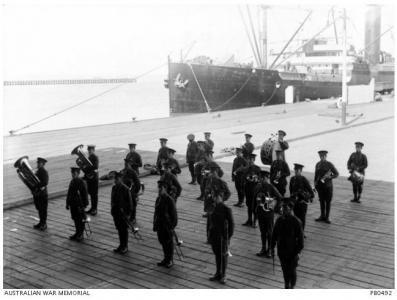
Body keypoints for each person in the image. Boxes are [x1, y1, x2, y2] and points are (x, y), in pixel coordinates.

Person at [271, 198, 304, 289]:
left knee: (292, 270)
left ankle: (291, 286)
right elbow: (274, 234)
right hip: (282, 251)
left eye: (285, 208)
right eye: (282, 207)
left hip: (292, 252)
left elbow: (301, 241)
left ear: (290, 209)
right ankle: (286, 285)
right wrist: (272, 246)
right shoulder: (279, 220)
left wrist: (296, 252)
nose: (282, 209)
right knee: (284, 270)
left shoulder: (296, 221)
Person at [208, 188, 234, 284]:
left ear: (221, 198)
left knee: (223, 256)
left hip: (223, 237)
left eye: (217, 197)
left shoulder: (226, 209)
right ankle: (218, 273)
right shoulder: (213, 207)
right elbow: (210, 223)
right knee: (217, 255)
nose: (216, 198)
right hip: (214, 235)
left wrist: (228, 237)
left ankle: (223, 275)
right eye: (215, 197)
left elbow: (231, 225)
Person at [254, 170, 282, 257]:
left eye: (263, 178)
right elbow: (255, 198)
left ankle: (270, 249)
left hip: (269, 213)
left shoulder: (271, 187)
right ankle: (263, 248)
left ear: (266, 178)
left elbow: (279, 197)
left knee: (270, 232)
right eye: (260, 178)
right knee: (262, 231)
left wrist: (273, 206)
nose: (261, 180)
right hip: (260, 212)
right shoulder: (258, 187)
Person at [153, 179, 178, 268]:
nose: (159, 189)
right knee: (162, 241)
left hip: (167, 225)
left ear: (165, 188)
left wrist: (172, 226)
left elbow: (174, 216)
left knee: (169, 243)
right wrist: (155, 224)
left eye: (161, 188)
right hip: (160, 224)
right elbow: (156, 213)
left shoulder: (169, 200)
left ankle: (170, 259)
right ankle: (165, 258)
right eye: (159, 188)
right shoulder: (158, 199)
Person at [314, 150, 339, 224]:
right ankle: (322, 216)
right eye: (321, 156)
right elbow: (316, 175)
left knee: (328, 202)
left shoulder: (329, 164)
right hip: (320, 186)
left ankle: (327, 217)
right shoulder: (318, 164)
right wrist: (315, 183)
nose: (322, 158)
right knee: (321, 201)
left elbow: (336, 174)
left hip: (328, 186)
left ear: (326, 156)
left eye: (323, 156)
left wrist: (329, 177)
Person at [289, 163, 314, 235]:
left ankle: (302, 232)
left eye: (298, 170)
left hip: (302, 202)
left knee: (302, 218)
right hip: (295, 202)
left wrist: (308, 197)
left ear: (300, 171)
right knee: (295, 217)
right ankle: (297, 232)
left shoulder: (303, 179)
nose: (296, 171)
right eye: (295, 170)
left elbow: (310, 191)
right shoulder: (292, 179)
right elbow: (291, 190)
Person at [111, 171, 133, 254]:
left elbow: (130, 203)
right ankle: (121, 245)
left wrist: (128, 214)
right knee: (119, 230)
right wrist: (112, 210)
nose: (115, 180)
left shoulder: (125, 189)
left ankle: (125, 246)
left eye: (116, 179)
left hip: (123, 213)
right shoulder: (114, 188)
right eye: (115, 179)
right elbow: (112, 200)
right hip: (116, 212)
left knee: (124, 230)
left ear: (120, 179)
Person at [66, 167, 88, 242]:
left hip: (79, 204)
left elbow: (84, 194)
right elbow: (69, 193)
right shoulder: (72, 181)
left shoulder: (81, 182)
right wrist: (67, 203)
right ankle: (77, 232)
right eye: (72, 173)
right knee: (75, 218)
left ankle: (81, 234)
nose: (72, 175)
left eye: (74, 173)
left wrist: (84, 205)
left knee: (80, 219)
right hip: (73, 204)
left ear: (78, 174)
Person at [240, 153, 261, 227]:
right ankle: (249, 220)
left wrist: (255, 179)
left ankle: (255, 221)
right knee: (249, 205)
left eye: (252, 159)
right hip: (248, 189)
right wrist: (242, 188)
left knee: (254, 206)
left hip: (255, 190)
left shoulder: (257, 169)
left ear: (254, 160)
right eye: (249, 159)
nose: (250, 161)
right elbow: (242, 179)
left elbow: (260, 179)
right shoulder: (246, 169)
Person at [122, 159, 141, 224]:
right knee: (125, 205)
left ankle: (133, 218)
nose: (125, 165)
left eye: (127, 164)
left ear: (130, 164)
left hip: (131, 192)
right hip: (124, 192)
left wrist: (135, 192)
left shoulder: (133, 173)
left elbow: (138, 184)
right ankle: (127, 216)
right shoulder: (123, 171)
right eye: (125, 163)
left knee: (133, 205)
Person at [33, 157, 49, 231]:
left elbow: (45, 182)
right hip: (38, 193)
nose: (38, 164)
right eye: (38, 163)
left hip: (42, 194)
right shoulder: (38, 171)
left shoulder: (44, 171)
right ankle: (41, 222)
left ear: (43, 164)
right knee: (39, 209)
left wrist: (36, 185)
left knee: (43, 209)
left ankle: (44, 224)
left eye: (39, 163)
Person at [85, 145, 99, 216]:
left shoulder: (95, 157)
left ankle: (95, 209)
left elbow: (96, 167)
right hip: (89, 178)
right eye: (88, 150)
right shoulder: (89, 157)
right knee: (91, 194)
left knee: (94, 195)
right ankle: (92, 208)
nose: (89, 151)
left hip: (94, 178)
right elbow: (87, 169)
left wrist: (87, 166)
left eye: (91, 150)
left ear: (93, 150)